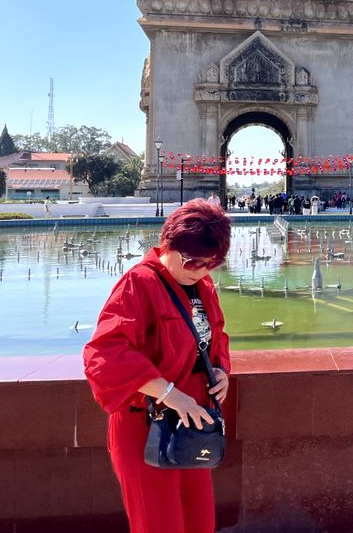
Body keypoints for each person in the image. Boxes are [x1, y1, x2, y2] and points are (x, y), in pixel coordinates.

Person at [83, 199, 232, 533]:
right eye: (193, 261)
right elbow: (104, 353)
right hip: (146, 426)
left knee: (200, 525)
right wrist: (169, 393)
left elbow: (215, 336)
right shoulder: (138, 284)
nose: (201, 270)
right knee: (159, 526)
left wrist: (221, 369)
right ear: (169, 244)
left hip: (192, 427)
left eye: (212, 263)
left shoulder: (202, 287)